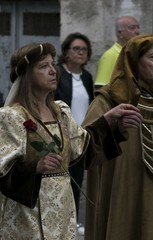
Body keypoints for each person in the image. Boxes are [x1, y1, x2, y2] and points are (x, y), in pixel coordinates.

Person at [0, 42, 142, 239]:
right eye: (43, 66)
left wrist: (110, 121)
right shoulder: (11, 116)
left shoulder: (61, 112)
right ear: (26, 75)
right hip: (27, 215)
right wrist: (35, 166)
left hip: (63, 210)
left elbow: (83, 150)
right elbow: (2, 171)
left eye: (52, 64)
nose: (52, 71)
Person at [82, 34, 153, 240]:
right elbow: (83, 144)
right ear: (134, 62)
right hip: (125, 189)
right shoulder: (109, 100)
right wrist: (112, 125)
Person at [55, 32, 94, 235]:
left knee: (77, 180)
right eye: (76, 49)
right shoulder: (57, 73)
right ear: (66, 52)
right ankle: (57, 221)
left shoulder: (87, 77)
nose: (80, 52)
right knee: (59, 181)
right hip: (61, 137)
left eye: (84, 49)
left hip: (81, 138)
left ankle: (74, 221)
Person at [94, 15, 140, 89]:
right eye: (132, 27)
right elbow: (101, 89)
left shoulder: (134, 55)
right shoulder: (109, 56)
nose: (137, 31)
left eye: (138, 27)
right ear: (120, 33)